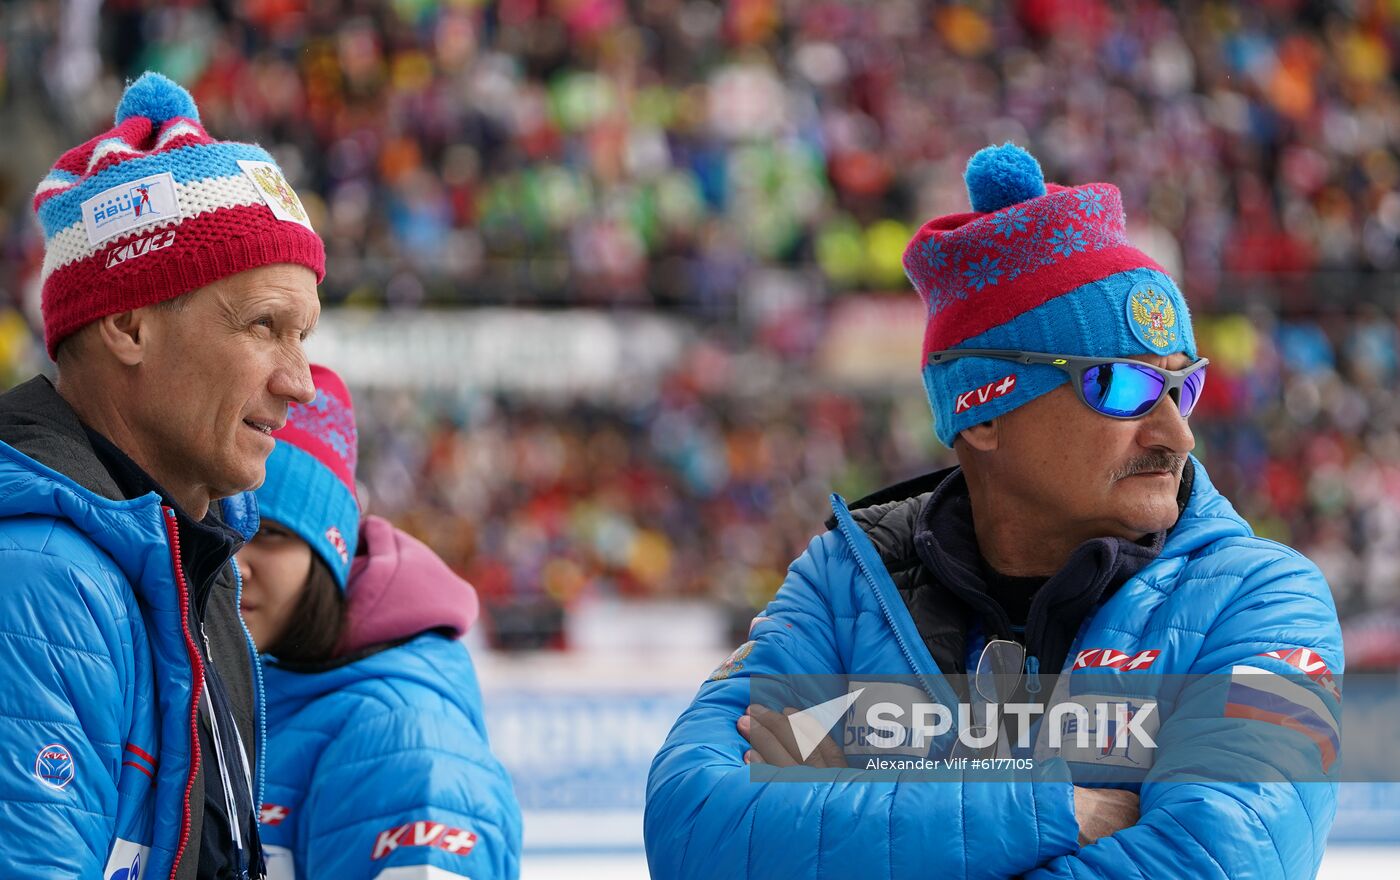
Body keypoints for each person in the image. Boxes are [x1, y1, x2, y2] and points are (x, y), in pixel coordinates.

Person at [645, 144, 1343, 878]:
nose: (1177, 434)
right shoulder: (844, 584)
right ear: (983, 411)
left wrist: (866, 799)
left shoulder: (1268, 602)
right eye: (1122, 387)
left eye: (1181, 388)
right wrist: (1062, 811)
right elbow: (693, 830)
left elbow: (1217, 864)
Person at [0, 72, 323, 877]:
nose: (301, 382)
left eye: (304, 335)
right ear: (128, 324)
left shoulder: (189, 563)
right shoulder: (41, 580)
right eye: (264, 326)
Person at [235, 364, 522, 880]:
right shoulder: (231, 692)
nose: (236, 564)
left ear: (330, 554)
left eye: (270, 534)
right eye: (225, 533)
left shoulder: (408, 745)